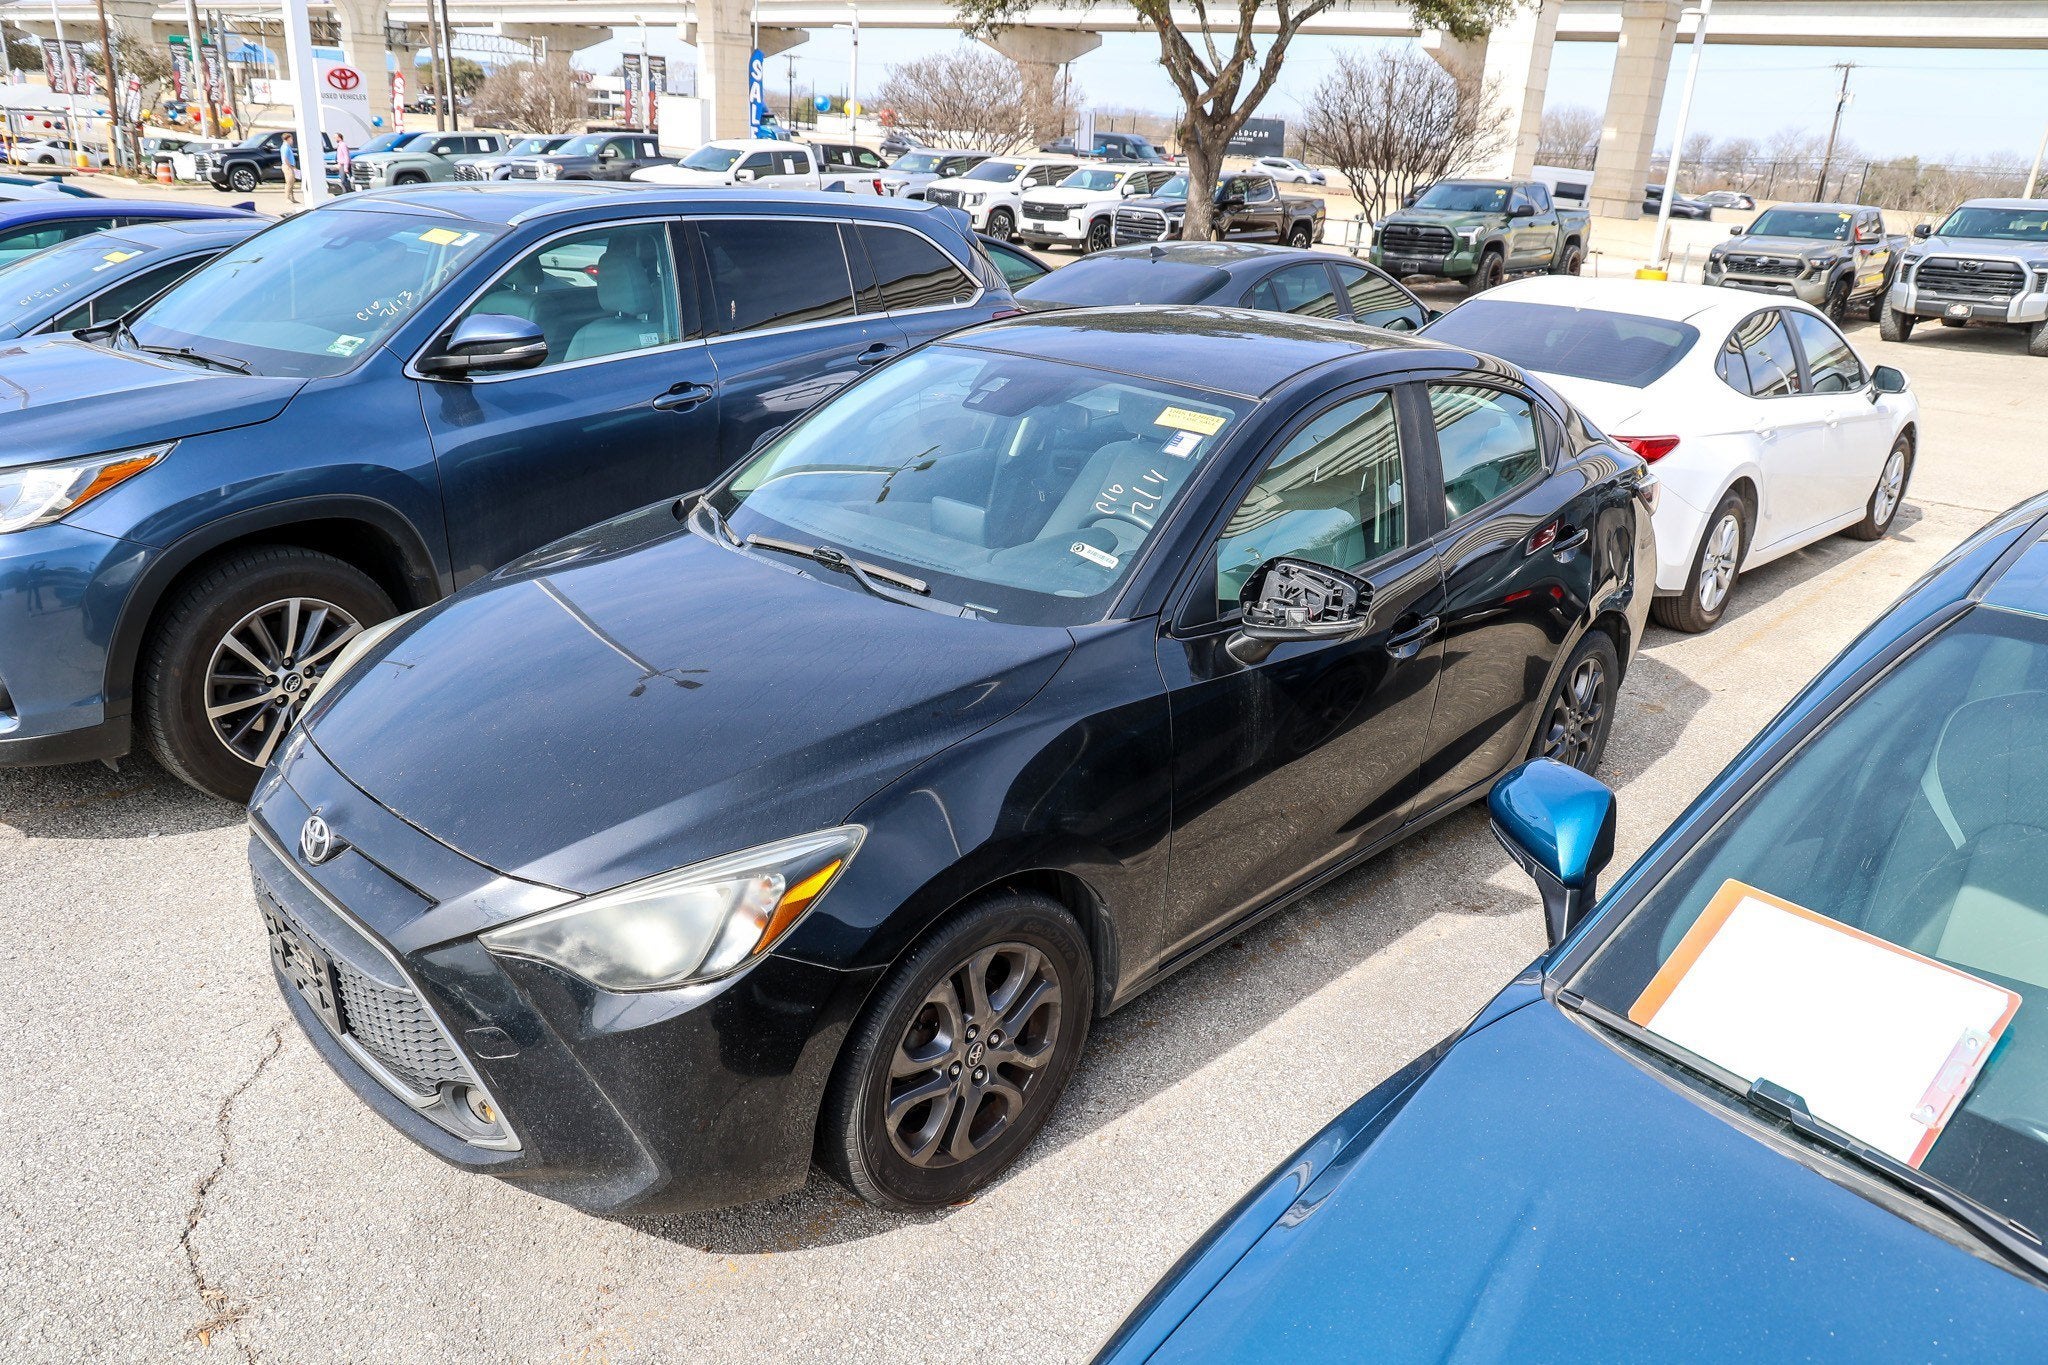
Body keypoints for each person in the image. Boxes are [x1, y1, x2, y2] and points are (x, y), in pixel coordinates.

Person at [281, 131, 298, 203]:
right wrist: (290, 167)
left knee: (292, 182)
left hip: (291, 166)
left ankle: (292, 198)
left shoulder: (288, 147)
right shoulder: (285, 147)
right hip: (288, 166)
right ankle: (287, 198)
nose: (292, 141)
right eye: (291, 139)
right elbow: (285, 159)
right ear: (287, 139)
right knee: (289, 182)